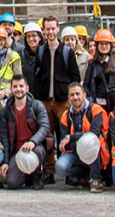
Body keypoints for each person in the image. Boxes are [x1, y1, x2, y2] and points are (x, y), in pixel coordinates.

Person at [33, 16, 80, 178]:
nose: (50, 32)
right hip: (46, 101)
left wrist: (70, 96)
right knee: (47, 136)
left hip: (63, 101)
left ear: (58, 29)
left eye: (53, 28)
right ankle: (48, 170)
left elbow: (75, 77)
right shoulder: (40, 51)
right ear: (44, 31)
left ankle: (69, 169)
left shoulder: (67, 52)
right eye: (48, 29)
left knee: (67, 134)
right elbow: (37, 77)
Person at [0, 75, 50, 190]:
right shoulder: (6, 111)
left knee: (38, 152)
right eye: (15, 86)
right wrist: (6, 162)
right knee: (12, 183)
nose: (18, 89)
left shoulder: (37, 105)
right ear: (11, 89)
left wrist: (33, 142)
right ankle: (27, 176)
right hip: (17, 152)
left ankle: (37, 174)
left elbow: (45, 127)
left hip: (35, 148)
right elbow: (5, 138)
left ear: (27, 88)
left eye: (21, 86)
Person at [57, 83, 108, 193]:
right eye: (72, 95)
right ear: (68, 98)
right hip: (76, 153)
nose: (75, 97)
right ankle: (83, 176)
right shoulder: (66, 115)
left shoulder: (96, 110)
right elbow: (63, 143)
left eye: (77, 94)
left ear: (84, 95)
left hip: (95, 151)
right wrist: (76, 144)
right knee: (60, 168)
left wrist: (71, 137)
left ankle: (96, 179)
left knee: (90, 142)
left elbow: (94, 134)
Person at [83, 29, 115, 111]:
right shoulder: (92, 64)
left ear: (110, 45)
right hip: (97, 105)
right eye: (101, 43)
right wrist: (91, 102)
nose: (104, 46)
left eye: (106, 43)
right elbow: (86, 85)